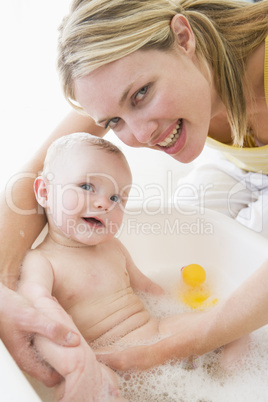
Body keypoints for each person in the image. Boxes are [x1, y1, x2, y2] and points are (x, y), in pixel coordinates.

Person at [1, 0, 268, 378]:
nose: (141, 136)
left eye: (141, 94)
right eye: (114, 121)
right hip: (243, 166)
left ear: (183, 37)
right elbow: (34, 178)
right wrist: (4, 287)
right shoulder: (117, 73)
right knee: (193, 223)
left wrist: (176, 344)